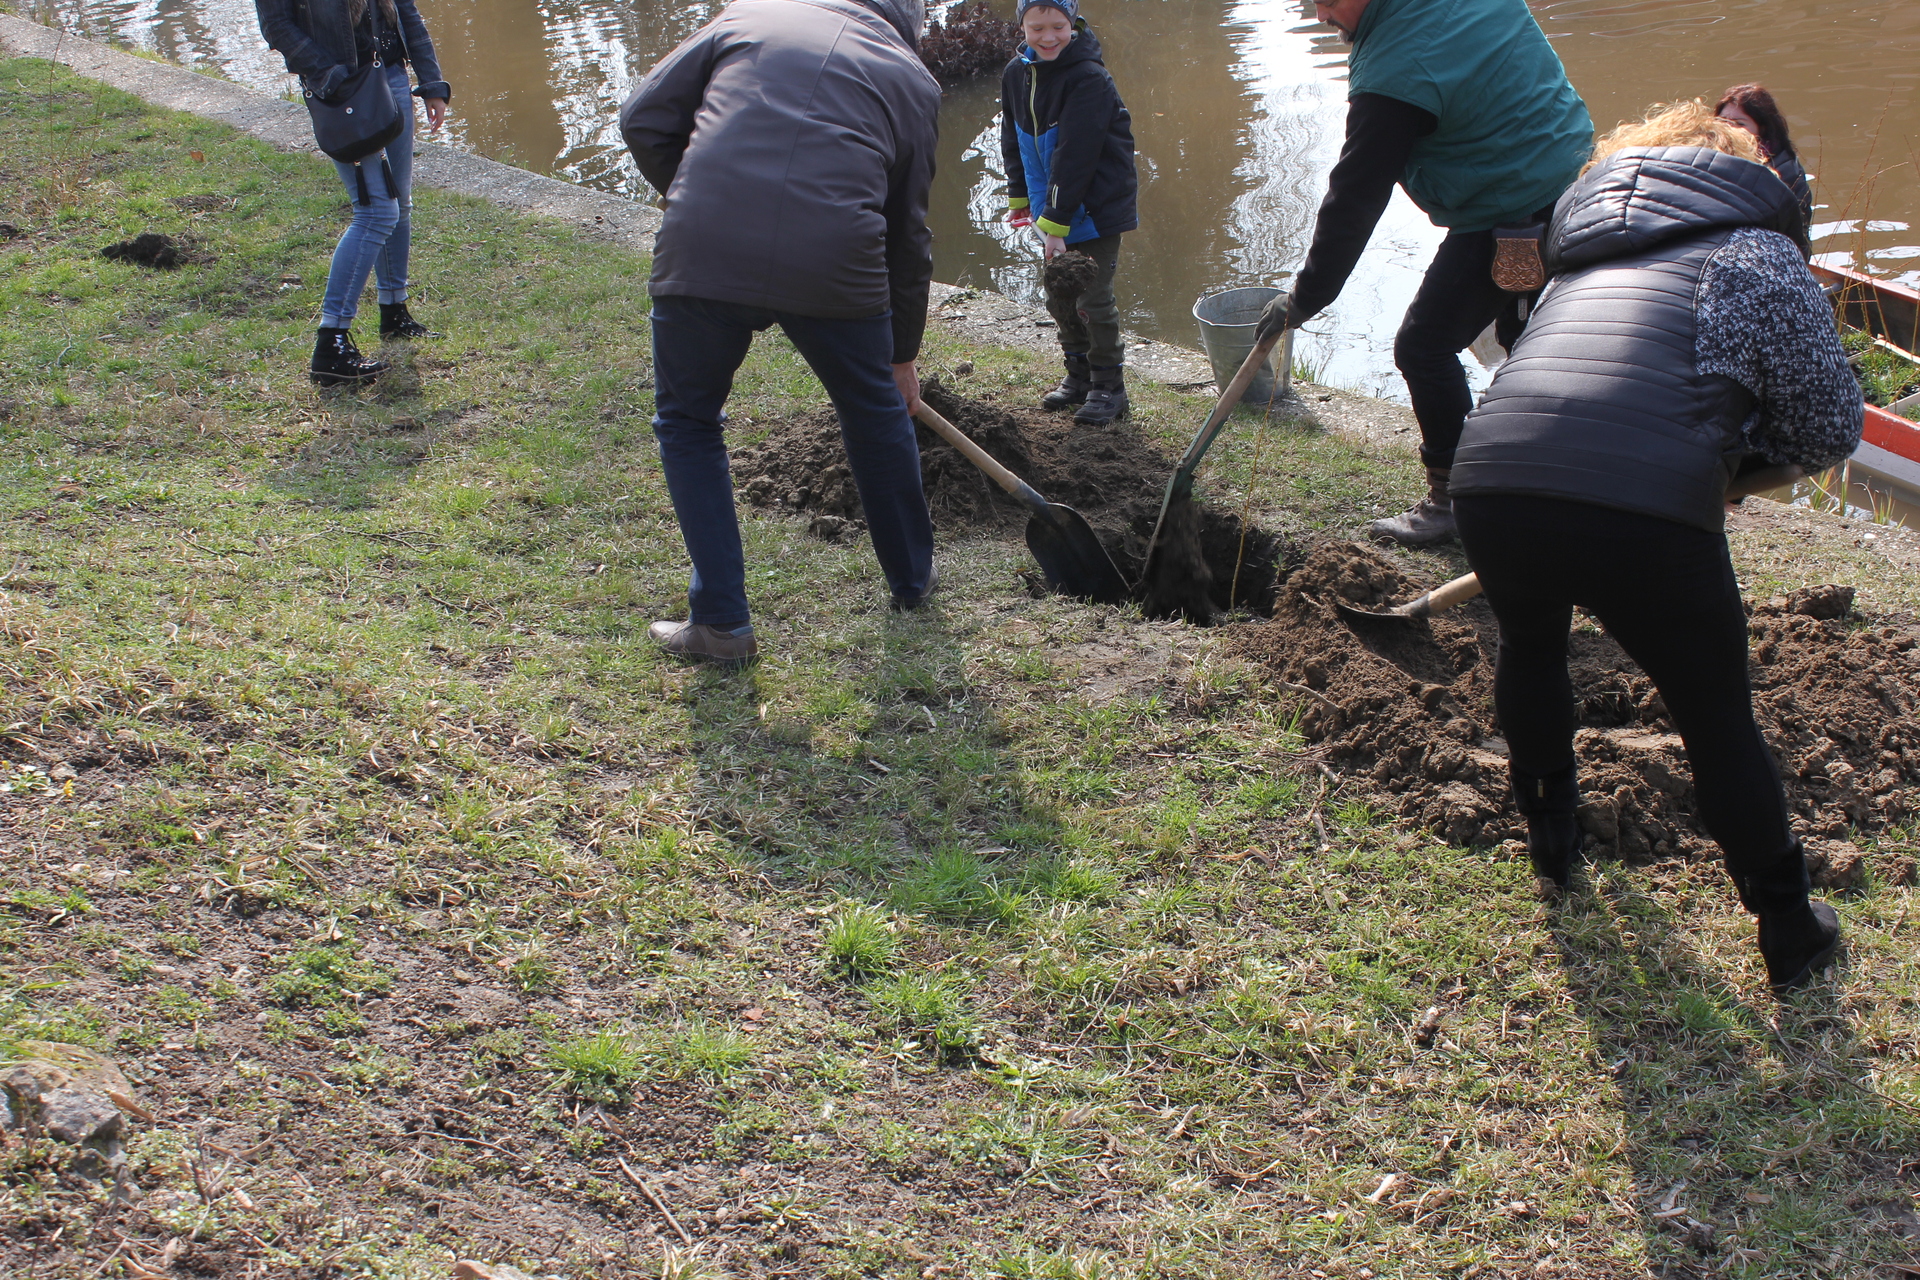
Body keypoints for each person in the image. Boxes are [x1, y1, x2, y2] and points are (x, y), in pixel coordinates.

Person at [1449, 103, 1862, 995]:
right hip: (1643, 508)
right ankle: (1790, 927)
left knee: (1530, 646)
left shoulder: (1577, 258)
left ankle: (1552, 844)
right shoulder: (1757, 251)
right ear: (1743, 172)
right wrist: (1729, 464)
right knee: (1714, 715)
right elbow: (1830, 425)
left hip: (1490, 477)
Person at [620, 0, 940, 666]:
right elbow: (908, 235)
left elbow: (642, 118)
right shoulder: (913, 80)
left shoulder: (748, 15)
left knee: (688, 421)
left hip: (706, 240)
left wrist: (698, 194)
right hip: (835, 259)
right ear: (908, 22)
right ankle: (912, 582)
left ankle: (721, 625)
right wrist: (900, 357)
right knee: (874, 411)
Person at [1254, 0, 1593, 546]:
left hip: (1516, 208)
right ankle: (1533, 479)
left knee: (1423, 347)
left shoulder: (1395, 73)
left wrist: (1305, 296)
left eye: (1329, 0)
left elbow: (1356, 197)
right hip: (1576, 175)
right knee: (1524, 340)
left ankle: (1453, 500)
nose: (1320, 15)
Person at [255, 0, 449, 386]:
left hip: (391, 75)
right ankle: (331, 346)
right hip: (343, 90)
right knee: (376, 212)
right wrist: (329, 74)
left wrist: (431, 82)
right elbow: (276, 25)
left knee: (400, 204)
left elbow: (405, 10)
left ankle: (394, 313)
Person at [1000, 0, 1139, 425]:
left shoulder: (1089, 78)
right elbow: (1012, 136)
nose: (1048, 37)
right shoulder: (1016, 73)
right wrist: (1020, 196)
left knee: (1093, 298)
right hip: (1050, 207)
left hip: (1095, 207)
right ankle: (1078, 376)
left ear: (1073, 23)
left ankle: (1109, 387)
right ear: (1022, 26)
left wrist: (1057, 222)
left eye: (1058, 26)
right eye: (1037, 27)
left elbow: (1076, 156)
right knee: (1059, 294)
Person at [1715, 83, 1814, 231]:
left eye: (1740, 123)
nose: (1729, 129)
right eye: (1723, 121)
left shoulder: (1785, 170)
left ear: (1762, 128)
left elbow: (1795, 228)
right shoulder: (1709, 156)